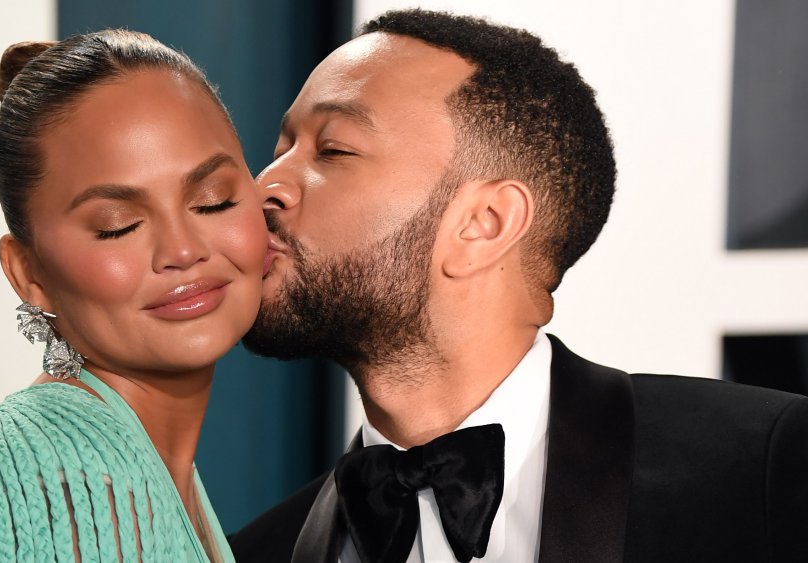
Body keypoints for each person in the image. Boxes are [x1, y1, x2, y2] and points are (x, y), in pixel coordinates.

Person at [231, 9, 808, 563]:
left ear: (485, 225)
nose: (262, 189)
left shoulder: (765, 467)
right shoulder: (254, 553)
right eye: (280, 150)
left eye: (332, 150)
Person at [0, 30, 266, 562]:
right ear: (29, 273)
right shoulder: (48, 468)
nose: (183, 250)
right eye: (118, 226)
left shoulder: (147, 466)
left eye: (213, 201)